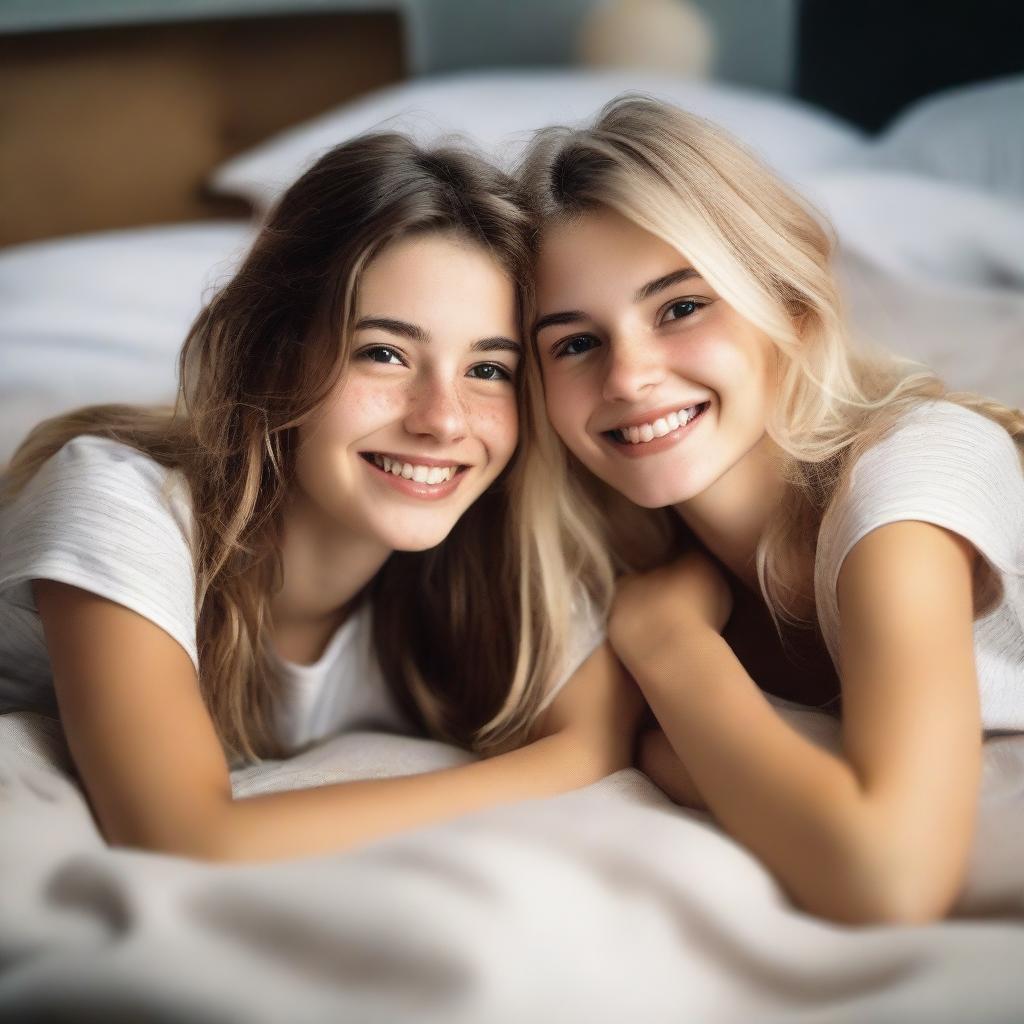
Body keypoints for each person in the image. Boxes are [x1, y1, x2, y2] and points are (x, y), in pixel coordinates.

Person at [0, 133, 639, 863]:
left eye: (488, 369)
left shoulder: (497, 559)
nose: (443, 419)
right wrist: (558, 764)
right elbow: (183, 835)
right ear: (274, 351)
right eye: (385, 353)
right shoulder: (121, 500)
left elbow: (607, 721)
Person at [519, 96, 1024, 925]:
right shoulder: (627, 563)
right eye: (574, 342)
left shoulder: (911, 478)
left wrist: (668, 646)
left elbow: (887, 879)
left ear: (786, 305)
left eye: (680, 307)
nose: (628, 377)